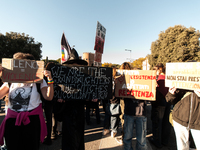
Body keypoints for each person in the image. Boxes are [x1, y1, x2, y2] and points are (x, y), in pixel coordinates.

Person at [0, 52, 54, 150]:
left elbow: (48, 97)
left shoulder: (39, 81)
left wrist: (50, 80)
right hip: (12, 122)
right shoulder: (10, 81)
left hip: (31, 122)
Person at [59, 48, 88, 150]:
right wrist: (59, 98)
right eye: (72, 64)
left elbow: (88, 93)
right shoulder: (62, 77)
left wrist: (92, 98)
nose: (74, 66)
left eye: (76, 64)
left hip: (80, 110)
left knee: (79, 136)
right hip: (67, 110)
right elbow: (56, 91)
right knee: (68, 136)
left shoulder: (84, 78)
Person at [116, 62, 147, 150]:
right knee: (127, 138)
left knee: (141, 141)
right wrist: (119, 86)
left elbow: (150, 97)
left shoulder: (144, 86)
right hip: (129, 113)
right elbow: (118, 95)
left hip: (141, 114)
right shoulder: (126, 86)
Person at [149, 63, 171, 148]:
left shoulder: (159, 80)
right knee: (165, 122)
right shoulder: (168, 78)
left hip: (159, 103)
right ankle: (164, 141)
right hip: (168, 102)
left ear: (158, 70)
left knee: (157, 122)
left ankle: (157, 141)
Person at [102, 67, 121, 138]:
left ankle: (106, 129)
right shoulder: (117, 81)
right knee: (114, 117)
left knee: (107, 116)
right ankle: (114, 131)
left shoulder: (107, 80)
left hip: (108, 100)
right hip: (115, 100)